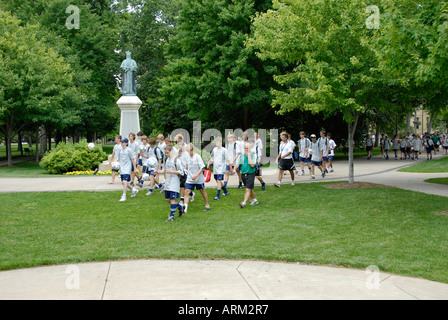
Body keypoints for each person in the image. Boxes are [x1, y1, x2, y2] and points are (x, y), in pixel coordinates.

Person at [159, 145, 185, 222]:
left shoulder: (176, 160)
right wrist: (158, 171)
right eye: (165, 153)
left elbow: (181, 172)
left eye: (167, 153)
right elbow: (166, 170)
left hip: (174, 182)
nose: (166, 154)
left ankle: (171, 216)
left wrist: (172, 172)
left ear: (171, 151)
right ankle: (180, 207)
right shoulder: (167, 160)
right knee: (167, 199)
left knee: (172, 199)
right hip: (168, 182)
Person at [183, 143, 211, 213]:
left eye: (189, 151)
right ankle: (185, 208)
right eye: (187, 151)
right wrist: (184, 169)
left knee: (202, 191)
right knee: (186, 192)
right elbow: (186, 166)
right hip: (190, 178)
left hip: (198, 179)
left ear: (192, 150)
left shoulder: (197, 157)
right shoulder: (187, 157)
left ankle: (207, 205)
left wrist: (196, 175)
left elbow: (202, 167)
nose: (188, 153)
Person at [234, 142, 258, 208]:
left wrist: (249, 156)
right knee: (250, 188)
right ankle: (255, 200)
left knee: (248, 189)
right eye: (245, 148)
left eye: (247, 148)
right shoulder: (241, 155)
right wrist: (234, 169)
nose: (246, 149)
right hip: (243, 174)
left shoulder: (253, 155)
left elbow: (252, 165)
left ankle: (244, 203)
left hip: (250, 174)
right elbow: (237, 164)